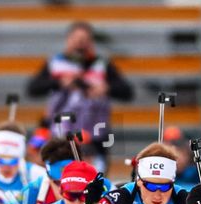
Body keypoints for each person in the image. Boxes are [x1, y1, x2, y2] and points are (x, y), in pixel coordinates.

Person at [26, 21, 134, 162]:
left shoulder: (102, 64)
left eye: (84, 40)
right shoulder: (55, 63)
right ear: (68, 40)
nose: (80, 44)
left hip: (95, 133)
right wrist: (60, 83)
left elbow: (127, 92)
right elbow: (32, 89)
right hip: (59, 131)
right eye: (76, 40)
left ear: (91, 42)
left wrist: (106, 88)